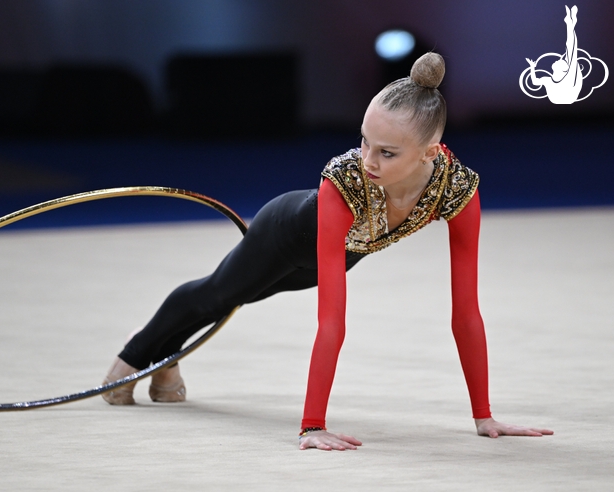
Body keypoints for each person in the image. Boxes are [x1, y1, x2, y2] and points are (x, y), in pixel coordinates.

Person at [100, 52, 554, 450]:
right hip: (286, 233)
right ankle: (133, 358)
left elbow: (466, 312)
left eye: (387, 152)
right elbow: (332, 321)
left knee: (238, 297)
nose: (368, 160)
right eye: (363, 141)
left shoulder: (457, 188)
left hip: (338, 256)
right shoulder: (345, 180)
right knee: (219, 294)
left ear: (429, 151)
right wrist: (311, 426)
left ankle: (166, 358)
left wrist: (484, 416)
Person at [526, 5, 582, 104]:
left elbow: (571, 49)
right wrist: (532, 67)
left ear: (563, 69)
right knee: (571, 51)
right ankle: (570, 24)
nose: (559, 59)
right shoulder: (548, 80)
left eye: (561, 61)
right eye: (562, 61)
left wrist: (570, 26)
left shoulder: (567, 77)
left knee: (571, 50)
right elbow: (535, 82)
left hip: (567, 96)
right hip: (562, 98)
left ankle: (570, 24)